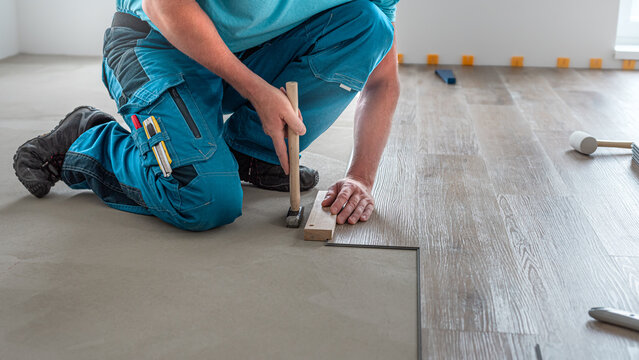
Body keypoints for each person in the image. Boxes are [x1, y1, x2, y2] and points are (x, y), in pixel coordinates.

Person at [13, 0, 400, 231]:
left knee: (368, 25)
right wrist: (256, 90)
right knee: (202, 198)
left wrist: (360, 178)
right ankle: (89, 141)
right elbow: (162, 5)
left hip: (248, 50)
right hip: (157, 39)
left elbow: (381, 79)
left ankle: (252, 155)